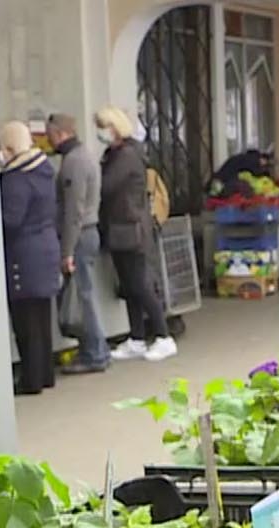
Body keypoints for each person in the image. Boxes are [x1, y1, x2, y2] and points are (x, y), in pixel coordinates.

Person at [95, 106, 175, 361]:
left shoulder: (127, 155)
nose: (100, 132)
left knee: (140, 285)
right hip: (119, 227)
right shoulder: (115, 154)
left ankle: (164, 336)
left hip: (132, 227)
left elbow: (106, 187)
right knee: (129, 286)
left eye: (103, 127)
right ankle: (137, 338)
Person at [0, 121, 60, 396]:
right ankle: (45, 373)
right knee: (42, 317)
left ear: (9, 147)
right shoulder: (44, 171)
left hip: (24, 253)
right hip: (46, 247)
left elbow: (10, 219)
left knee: (25, 321)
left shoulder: (16, 178)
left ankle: (31, 378)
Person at [47, 113, 109, 375]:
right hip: (87, 232)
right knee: (84, 293)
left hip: (80, 235)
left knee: (82, 295)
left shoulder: (73, 162)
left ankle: (95, 353)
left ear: (60, 133)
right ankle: (94, 350)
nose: (48, 141)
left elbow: (74, 210)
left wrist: (67, 251)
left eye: (50, 135)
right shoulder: (85, 156)